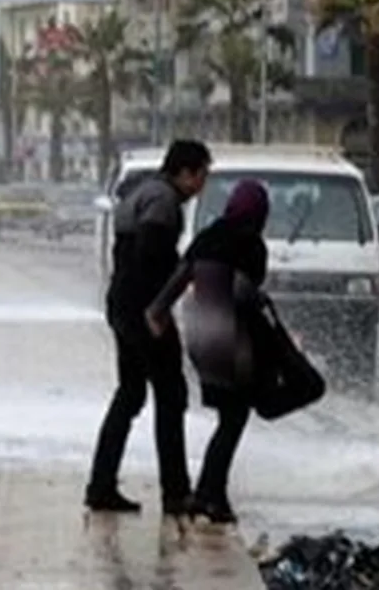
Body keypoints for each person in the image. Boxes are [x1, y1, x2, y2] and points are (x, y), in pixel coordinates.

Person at [85, 139, 212, 516]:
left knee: (130, 394)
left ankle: (101, 485)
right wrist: (156, 314)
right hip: (142, 310)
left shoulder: (143, 192)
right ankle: (176, 492)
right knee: (170, 395)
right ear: (185, 172)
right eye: (201, 176)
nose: (202, 185)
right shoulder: (162, 202)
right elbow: (149, 260)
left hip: (123, 305)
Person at [145, 179, 272, 524]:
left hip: (201, 337)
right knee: (234, 417)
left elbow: (179, 278)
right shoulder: (252, 246)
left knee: (229, 415)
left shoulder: (207, 237)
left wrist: (157, 313)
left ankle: (210, 491)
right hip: (232, 339)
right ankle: (210, 493)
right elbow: (244, 292)